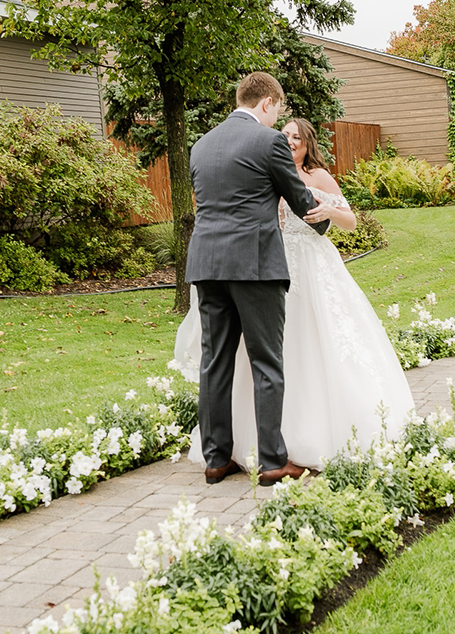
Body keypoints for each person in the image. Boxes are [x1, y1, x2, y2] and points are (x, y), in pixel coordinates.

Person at [172, 117, 415, 472]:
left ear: (307, 143)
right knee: (265, 357)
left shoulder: (317, 176)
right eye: (284, 135)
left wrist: (329, 211)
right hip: (266, 265)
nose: (288, 141)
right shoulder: (268, 167)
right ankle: (264, 452)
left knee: (282, 351)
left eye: (296, 137)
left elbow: (349, 220)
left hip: (302, 266)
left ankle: (228, 455)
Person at [184, 72, 331, 487]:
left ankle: (215, 459)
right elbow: (299, 199)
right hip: (255, 265)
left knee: (214, 362)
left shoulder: (201, 145)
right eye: (278, 110)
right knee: (267, 361)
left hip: (208, 264)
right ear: (267, 102)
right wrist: (322, 220)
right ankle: (272, 461)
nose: (277, 119)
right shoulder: (269, 142)